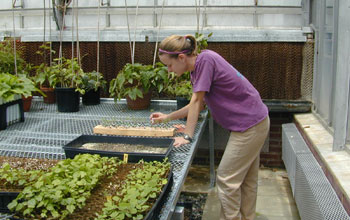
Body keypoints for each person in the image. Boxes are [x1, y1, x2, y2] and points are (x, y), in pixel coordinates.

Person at [150, 34, 270, 220]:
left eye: (169, 65)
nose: (169, 70)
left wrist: (188, 135)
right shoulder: (198, 68)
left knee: (226, 178)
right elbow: (197, 103)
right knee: (246, 180)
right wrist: (167, 117)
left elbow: (197, 100)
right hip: (254, 122)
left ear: (181, 57)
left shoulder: (205, 61)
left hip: (250, 126)